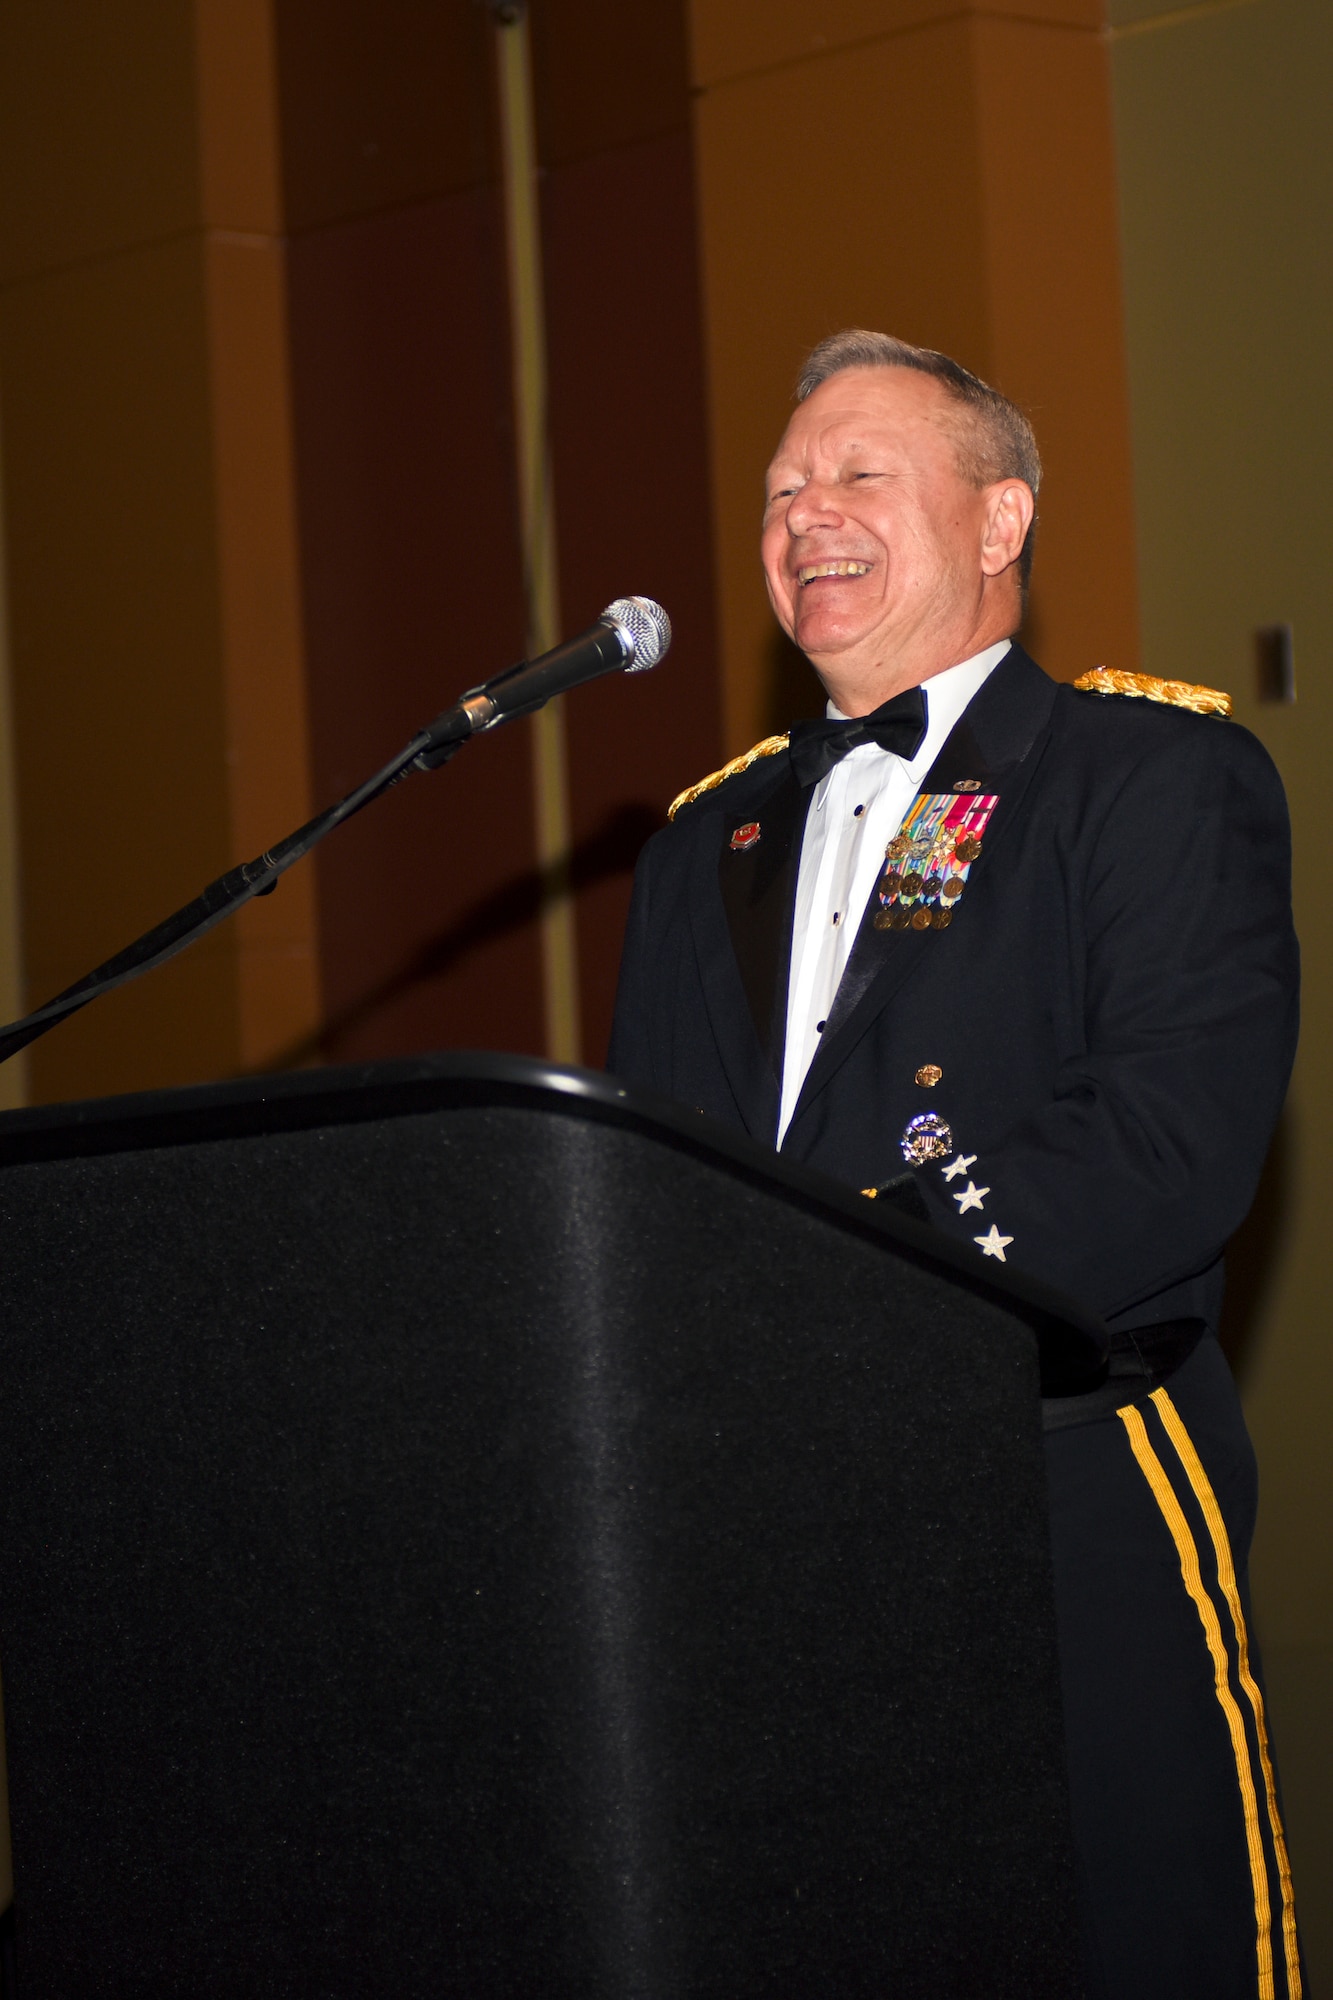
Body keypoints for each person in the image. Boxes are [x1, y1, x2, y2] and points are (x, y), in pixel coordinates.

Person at [608, 329, 1302, 1998]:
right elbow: (655, 1181)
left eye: (859, 475)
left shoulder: (1143, 775)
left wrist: (853, 1273)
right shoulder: (711, 841)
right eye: (782, 490)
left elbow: (1165, 1147)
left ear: (1001, 524)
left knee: (1148, 1934)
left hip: (1066, 1456)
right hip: (780, 1494)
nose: (806, 516)